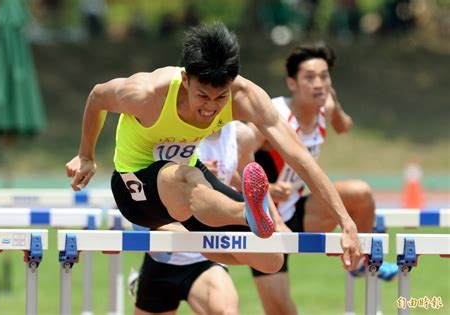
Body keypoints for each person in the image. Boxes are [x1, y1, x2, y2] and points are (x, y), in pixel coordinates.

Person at [65, 21, 362, 274]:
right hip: (135, 187)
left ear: (231, 84)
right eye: (202, 96)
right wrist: (86, 155)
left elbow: (298, 156)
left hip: (189, 192)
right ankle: (249, 213)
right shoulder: (145, 93)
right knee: (184, 176)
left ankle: (203, 236)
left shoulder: (244, 95)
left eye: (220, 98)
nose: (210, 108)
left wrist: (346, 223)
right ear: (184, 79)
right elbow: (96, 97)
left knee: (270, 259)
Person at [249, 43, 398, 315]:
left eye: (324, 76)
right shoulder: (273, 116)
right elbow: (236, 155)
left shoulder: (324, 105)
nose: (318, 83)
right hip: (264, 217)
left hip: (297, 210)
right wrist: (265, 187)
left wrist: (333, 106)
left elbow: (344, 127)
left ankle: (360, 262)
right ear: (291, 83)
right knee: (281, 311)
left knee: (360, 194)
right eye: (309, 77)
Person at [130, 121, 254, 315]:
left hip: (204, 259)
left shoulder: (240, 134)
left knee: (227, 312)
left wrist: (212, 180)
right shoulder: (166, 132)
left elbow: (243, 178)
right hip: (162, 259)